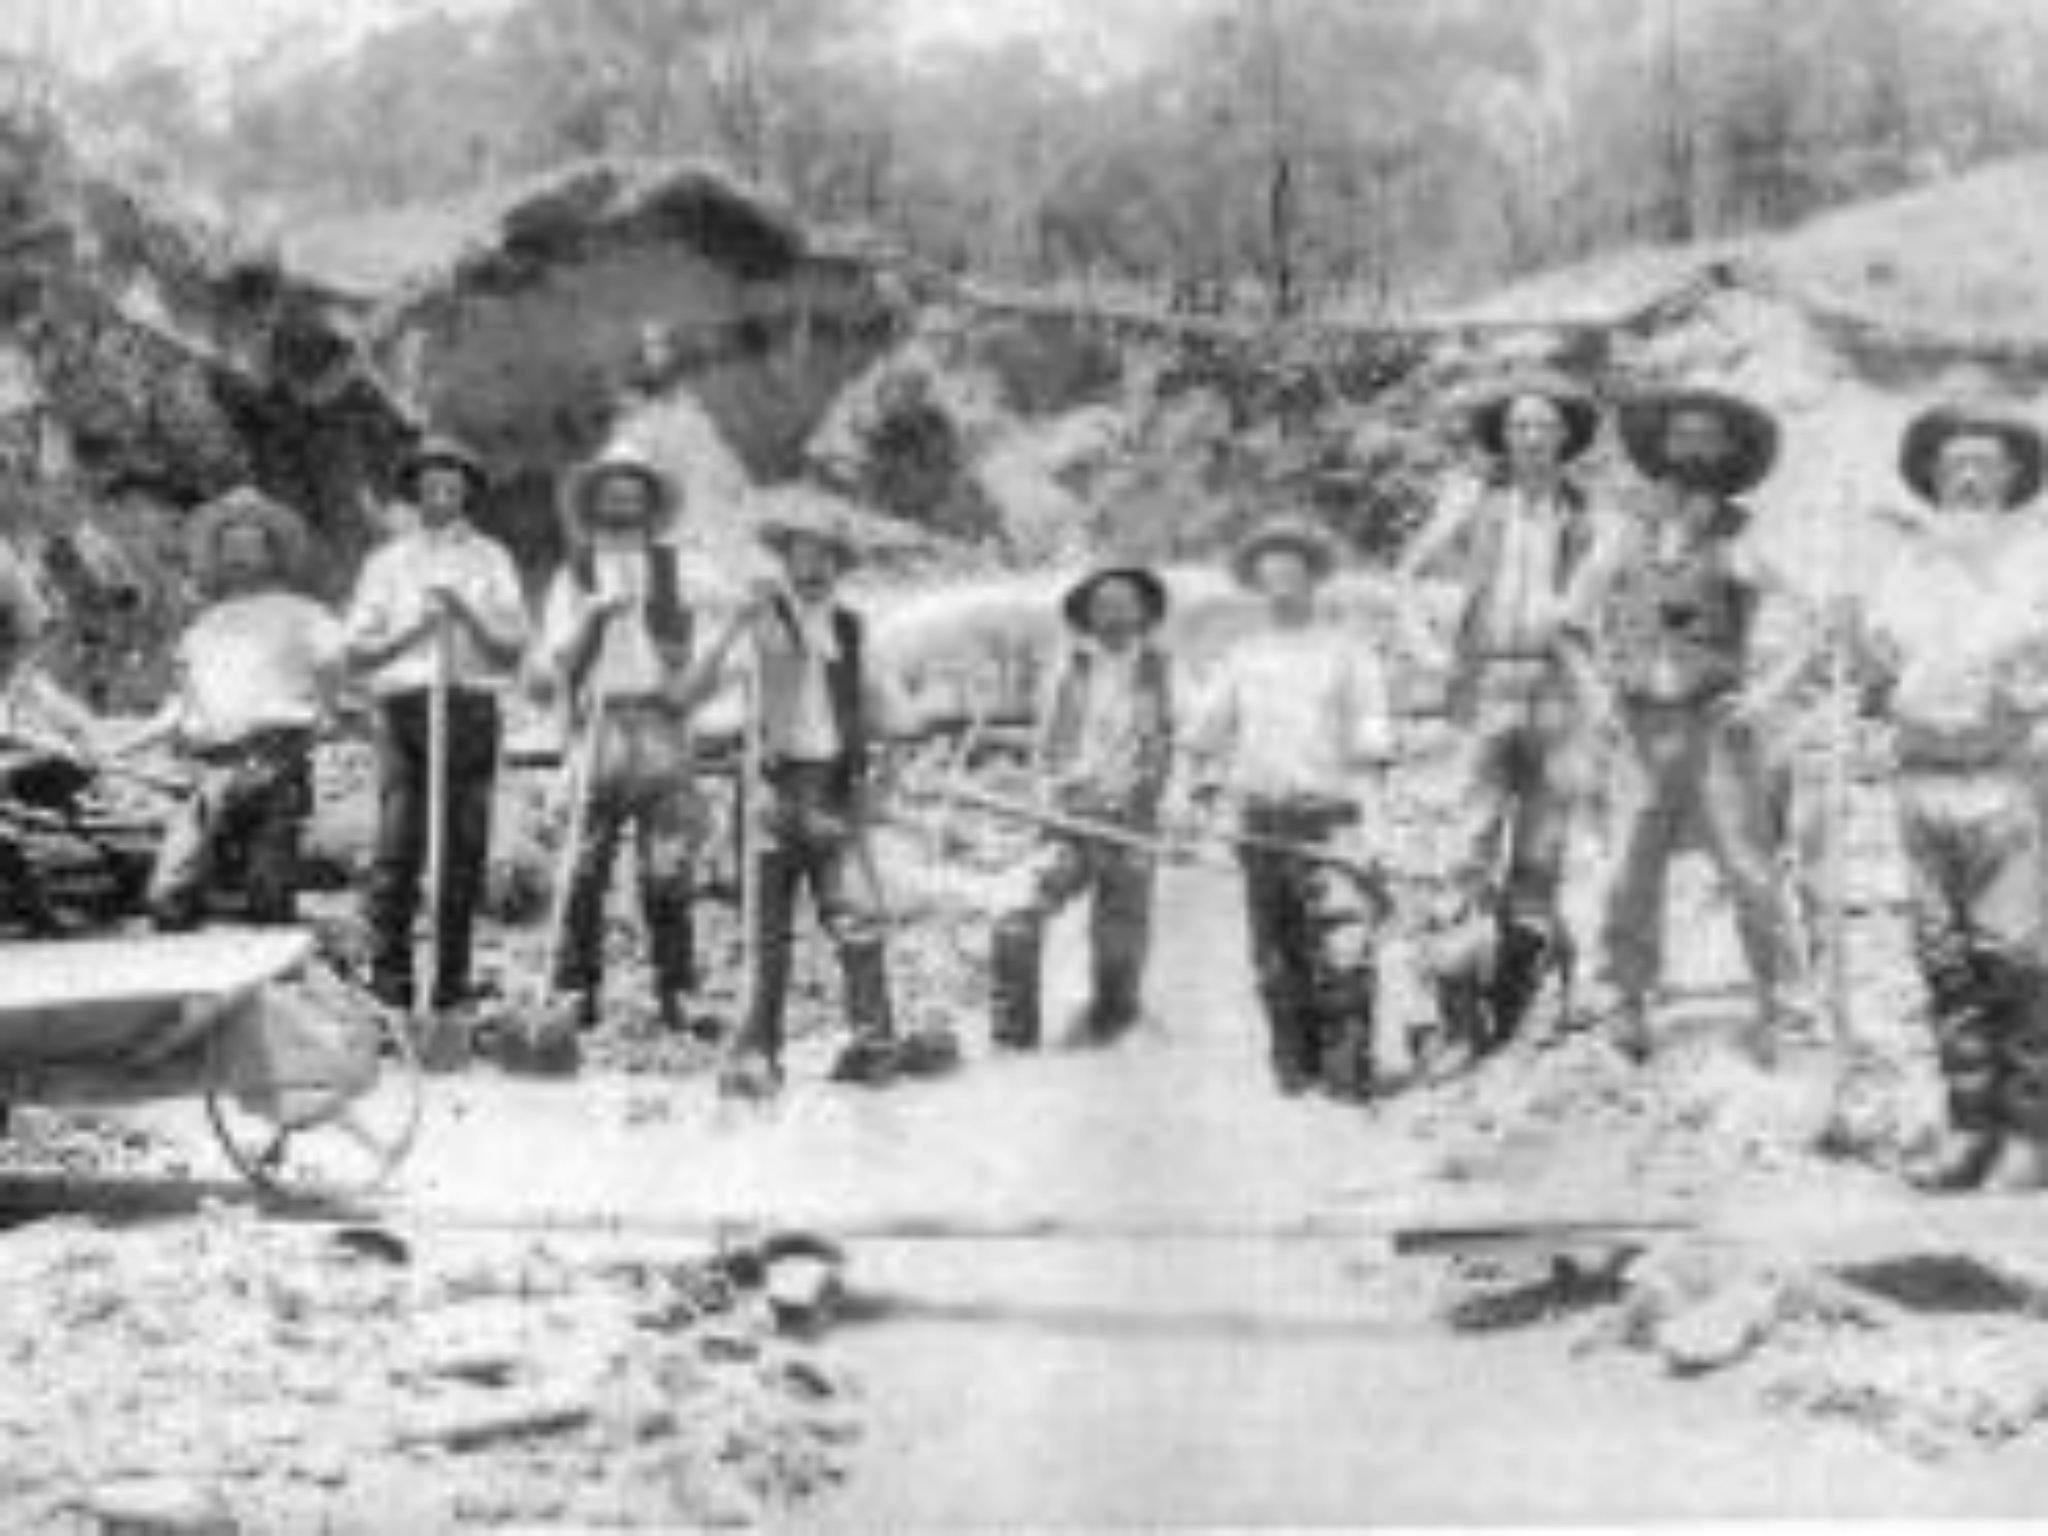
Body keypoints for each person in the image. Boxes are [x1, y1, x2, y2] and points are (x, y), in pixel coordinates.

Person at [1845, 398, 2048, 1191]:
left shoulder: (2041, 558)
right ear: (1932, 477)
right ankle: (1971, 1128)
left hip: (2007, 781)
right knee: (1946, 961)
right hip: (1921, 780)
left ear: (2011, 477)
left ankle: (2032, 1136)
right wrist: (1852, 642)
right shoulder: (1907, 563)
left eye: (1984, 464)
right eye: (1954, 464)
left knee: (2018, 957)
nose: (1968, 477)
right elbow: (1878, 666)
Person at [1578, 387, 1811, 1064]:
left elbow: (1814, 621)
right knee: (1628, 870)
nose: (1694, 450)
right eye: (1683, 437)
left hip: (1717, 730)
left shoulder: (1744, 537)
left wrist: (1766, 693)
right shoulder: (1622, 531)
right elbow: (1568, 620)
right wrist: (1594, 695)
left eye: (1709, 438)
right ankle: (1625, 1005)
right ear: (1662, 449)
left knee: (1749, 868)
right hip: (1636, 727)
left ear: (1730, 453)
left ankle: (1784, 1007)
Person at [1401, 369, 1606, 1063]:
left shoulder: (1585, 512)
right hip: (1485, 684)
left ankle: (1519, 1012)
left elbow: (1608, 596)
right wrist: (1429, 648)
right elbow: (1409, 571)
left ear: (1566, 438)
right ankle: (1457, 1021)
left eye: (1546, 427)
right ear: (1504, 437)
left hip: (1557, 689)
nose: (1533, 438)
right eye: (1520, 426)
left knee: (1543, 853)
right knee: (1468, 845)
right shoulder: (1474, 500)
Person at [695, 492, 928, 1099]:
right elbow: (694, 694)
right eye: (802, 554)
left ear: (839, 566)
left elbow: (899, 718)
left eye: (824, 555)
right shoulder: (758, 622)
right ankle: (756, 1054)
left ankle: (873, 1045)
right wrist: (728, 631)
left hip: (833, 790)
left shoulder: (854, 631)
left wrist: (883, 785)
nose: (813, 567)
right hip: (771, 791)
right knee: (764, 934)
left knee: (856, 921)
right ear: (785, 561)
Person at [1186, 515, 1393, 1099]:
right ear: (1256, 582)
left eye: (1292, 569)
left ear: (1312, 577)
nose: (1281, 581)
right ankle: (1293, 1066)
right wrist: (1201, 800)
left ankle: (1347, 1071)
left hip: (1330, 819)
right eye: (1268, 571)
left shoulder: (1348, 652)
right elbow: (1206, 734)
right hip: (1261, 821)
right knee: (1276, 954)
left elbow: (1373, 739)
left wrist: (1375, 822)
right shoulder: (1241, 656)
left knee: (1344, 948)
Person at [345, 435, 529, 1015]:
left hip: (470, 708)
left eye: (454, 485)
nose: (442, 493)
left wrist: (467, 612)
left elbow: (512, 650)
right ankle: (392, 987)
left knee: (462, 855)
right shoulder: (387, 563)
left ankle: (451, 990)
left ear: (469, 493)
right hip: (404, 712)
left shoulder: (492, 559)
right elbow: (357, 652)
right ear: (415, 491)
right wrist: (413, 632)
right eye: (431, 483)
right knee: (396, 851)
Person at [114, 487, 343, 929]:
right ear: (218, 555)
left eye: (250, 542)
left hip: (274, 759)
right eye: (229, 544)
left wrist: (325, 715)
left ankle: (277, 986)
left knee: (267, 890)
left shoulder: (303, 614)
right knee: (168, 894)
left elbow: (338, 664)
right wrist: (115, 748)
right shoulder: (203, 628)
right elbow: (178, 709)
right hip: (208, 768)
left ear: (271, 553)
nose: (239, 554)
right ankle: (182, 981)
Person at [540, 443, 706, 1034]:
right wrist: (593, 617)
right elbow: (556, 665)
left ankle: (677, 990)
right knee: (582, 868)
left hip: (660, 722)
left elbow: (704, 658)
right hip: (599, 724)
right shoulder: (573, 572)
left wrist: (689, 675)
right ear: (595, 499)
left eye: (633, 487)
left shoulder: (678, 568)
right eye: (611, 488)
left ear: (648, 500)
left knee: (667, 867)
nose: (623, 497)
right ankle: (575, 992)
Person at [991, 565, 1177, 1050]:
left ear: (1144, 613)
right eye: (1103, 605)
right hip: (1070, 819)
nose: (1114, 615)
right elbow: (1045, 749)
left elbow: (1188, 743)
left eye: (1125, 604)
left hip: (1134, 821)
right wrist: (1048, 794)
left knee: (1120, 942)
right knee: (1017, 912)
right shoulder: (1068, 670)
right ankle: (1013, 1041)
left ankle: (1111, 1028)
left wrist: (1175, 804)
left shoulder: (1165, 670)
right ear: (1089, 616)